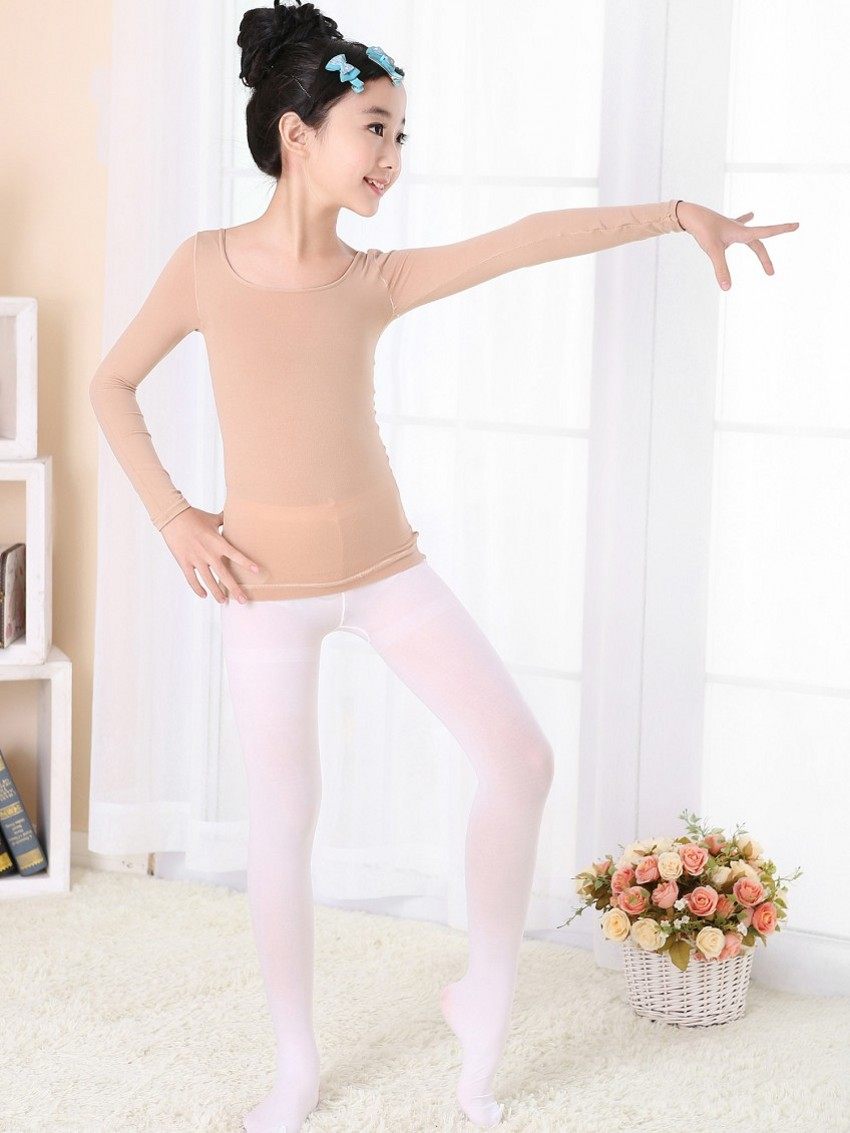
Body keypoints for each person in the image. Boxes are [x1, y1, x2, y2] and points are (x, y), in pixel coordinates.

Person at [88, 3, 799, 1129]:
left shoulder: (374, 278)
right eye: (375, 129)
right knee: (282, 820)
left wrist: (673, 214)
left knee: (520, 756)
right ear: (297, 134)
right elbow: (110, 384)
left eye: (402, 134)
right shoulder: (203, 266)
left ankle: (484, 996)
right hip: (263, 590)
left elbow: (524, 238)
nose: (393, 155)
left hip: (385, 570)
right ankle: (295, 1062)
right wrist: (175, 517)